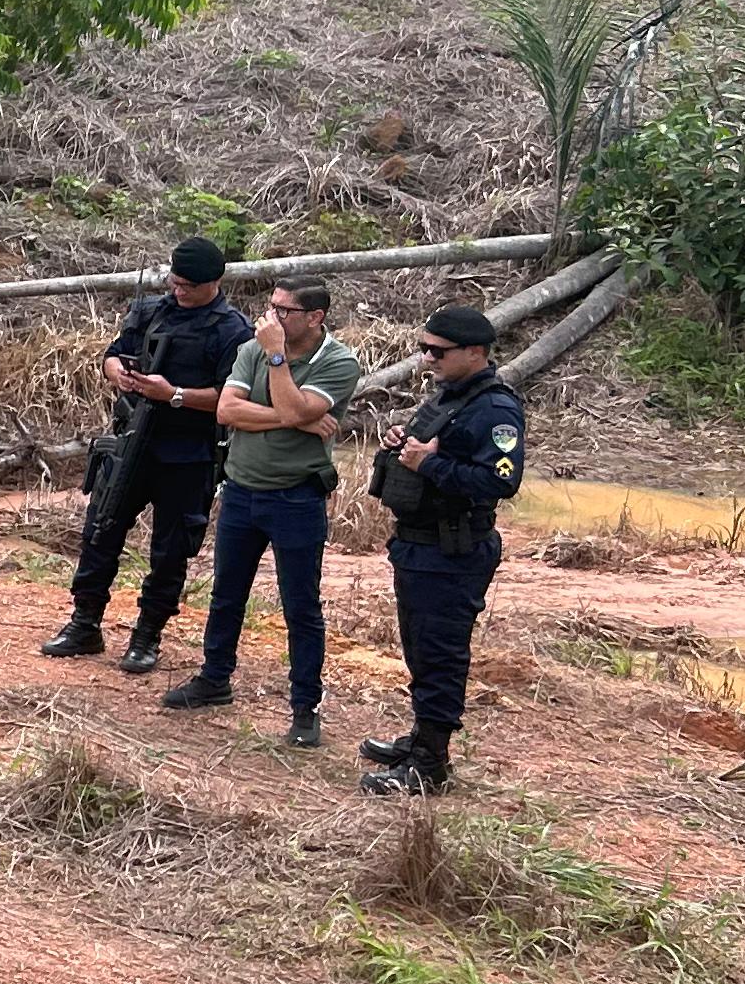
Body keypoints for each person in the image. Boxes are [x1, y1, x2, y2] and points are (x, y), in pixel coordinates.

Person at [157, 276, 361, 747]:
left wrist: (276, 363)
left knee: (300, 606)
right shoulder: (253, 347)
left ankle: (305, 707)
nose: (272, 319)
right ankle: (214, 678)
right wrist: (293, 419)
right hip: (242, 491)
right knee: (227, 593)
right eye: (271, 307)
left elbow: (292, 402)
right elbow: (228, 411)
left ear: (315, 317)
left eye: (284, 311)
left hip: (296, 497)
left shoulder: (337, 362)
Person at [42, 236, 253, 673]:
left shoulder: (232, 330)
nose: (178, 292)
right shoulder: (151, 310)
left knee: (171, 550)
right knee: (101, 529)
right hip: (132, 440)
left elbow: (230, 398)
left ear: (212, 283)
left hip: (188, 453)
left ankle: (147, 635)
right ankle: (85, 622)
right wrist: (117, 372)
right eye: (173, 283)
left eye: (187, 287)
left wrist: (173, 394)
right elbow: (114, 354)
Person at [361, 303, 528, 796]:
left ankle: (430, 765)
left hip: (453, 550)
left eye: (436, 351)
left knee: (440, 654)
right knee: (420, 649)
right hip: (418, 544)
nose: (426, 358)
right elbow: (427, 451)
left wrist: (426, 466)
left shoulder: (494, 408)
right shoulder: (451, 396)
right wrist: (403, 444)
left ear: (474, 352)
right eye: (423, 349)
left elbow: (502, 480)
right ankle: (419, 740)